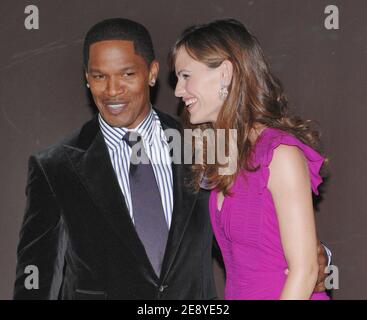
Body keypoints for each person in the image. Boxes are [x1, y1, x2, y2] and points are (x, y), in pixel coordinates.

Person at [13, 18, 329, 300]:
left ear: (151, 74)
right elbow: (37, 278)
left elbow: (257, 229)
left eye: (126, 74)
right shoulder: (55, 167)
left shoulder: (204, 147)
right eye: (99, 76)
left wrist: (315, 257)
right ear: (86, 78)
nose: (113, 91)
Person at [172, 18, 330, 299]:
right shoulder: (217, 154)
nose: (178, 91)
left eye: (186, 76)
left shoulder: (279, 154)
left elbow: (304, 271)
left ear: (224, 73)